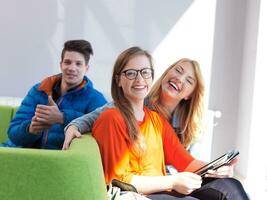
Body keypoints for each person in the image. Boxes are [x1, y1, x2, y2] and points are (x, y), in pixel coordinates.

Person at [74, 46, 249, 199]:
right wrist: (73, 125)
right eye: (130, 73)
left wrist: (217, 168)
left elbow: (185, 161)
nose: (139, 79)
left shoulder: (156, 120)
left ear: (151, 77)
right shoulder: (111, 118)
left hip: (164, 189)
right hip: (137, 194)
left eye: (145, 72)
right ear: (118, 80)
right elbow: (119, 180)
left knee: (230, 185)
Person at [63, 57, 204, 151]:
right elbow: (92, 118)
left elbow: (192, 166)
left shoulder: (188, 126)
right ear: (167, 73)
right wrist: (73, 126)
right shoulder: (137, 103)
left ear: (189, 95)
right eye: (178, 71)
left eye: (189, 81)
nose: (179, 78)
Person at [0, 39, 107, 149]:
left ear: (86, 68)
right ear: (61, 65)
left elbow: (102, 131)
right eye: (67, 62)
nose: (71, 68)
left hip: (56, 161)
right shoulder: (39, 90)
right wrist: (31, 129)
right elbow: (13, 134)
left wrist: (62, 118)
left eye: (78, 64)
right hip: (16, 153)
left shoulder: (96, 99)